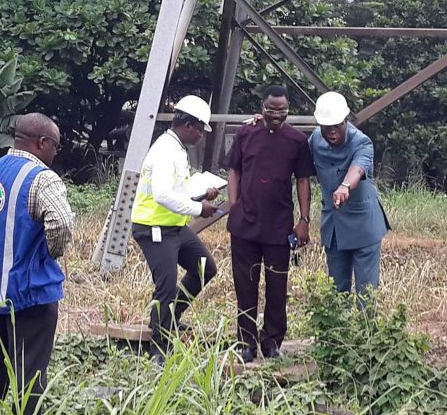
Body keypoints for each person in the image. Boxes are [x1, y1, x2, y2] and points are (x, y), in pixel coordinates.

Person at [0, 112, 75, 415]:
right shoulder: (42, 178)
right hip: (33, 293)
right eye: (55, 146)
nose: (55, 153)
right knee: (31, 370)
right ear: (42, 143)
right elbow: (62, 224)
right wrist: (51, 254)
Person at [225, 85, 315, 363]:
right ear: (262, 107)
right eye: (271, 110)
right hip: (245, 224)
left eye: (282, 111)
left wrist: (304, 220)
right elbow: (234, 170)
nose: (276, 116)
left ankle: (272, 342)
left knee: (277, 287)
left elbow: (302, 180)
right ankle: (246, 343)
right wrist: (234, 205)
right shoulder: (246, 133)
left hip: (279, 226)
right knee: (245, 285)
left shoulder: (297, 140)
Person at [131, 95, 220, 363]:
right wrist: (199, 209)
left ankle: (170, 319)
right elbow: (161, 195)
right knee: (166, 286)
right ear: (189, 125)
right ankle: (158, 347)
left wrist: (202, 192)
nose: (201, 136)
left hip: (174, 226)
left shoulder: (177, 148)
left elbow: (177, 189)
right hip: (153, 227)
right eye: (201, 130)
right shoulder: (165, 151)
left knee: (205, 267)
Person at [308, 92, 389, 300]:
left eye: (338, 125)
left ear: (346, 121)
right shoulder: (315, 139)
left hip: (363, 225)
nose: (333, 131)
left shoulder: (362, 142)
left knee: (366, 293)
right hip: (333, 227)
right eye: (327, 127)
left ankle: (365, 331)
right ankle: (338, 332)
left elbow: (358, 168)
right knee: (336, 292)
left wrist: (345, 186)